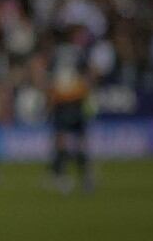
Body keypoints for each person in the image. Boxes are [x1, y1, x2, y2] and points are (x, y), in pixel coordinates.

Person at [46, 32, 95, 192]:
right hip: (76, 100)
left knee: (61, 139)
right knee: (80, 140)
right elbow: (89, 74)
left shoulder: (55, 55)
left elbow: (50, 80)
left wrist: (50, 102)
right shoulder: (78, 53)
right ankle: (86, 177)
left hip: (61, 101)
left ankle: (61, 176)